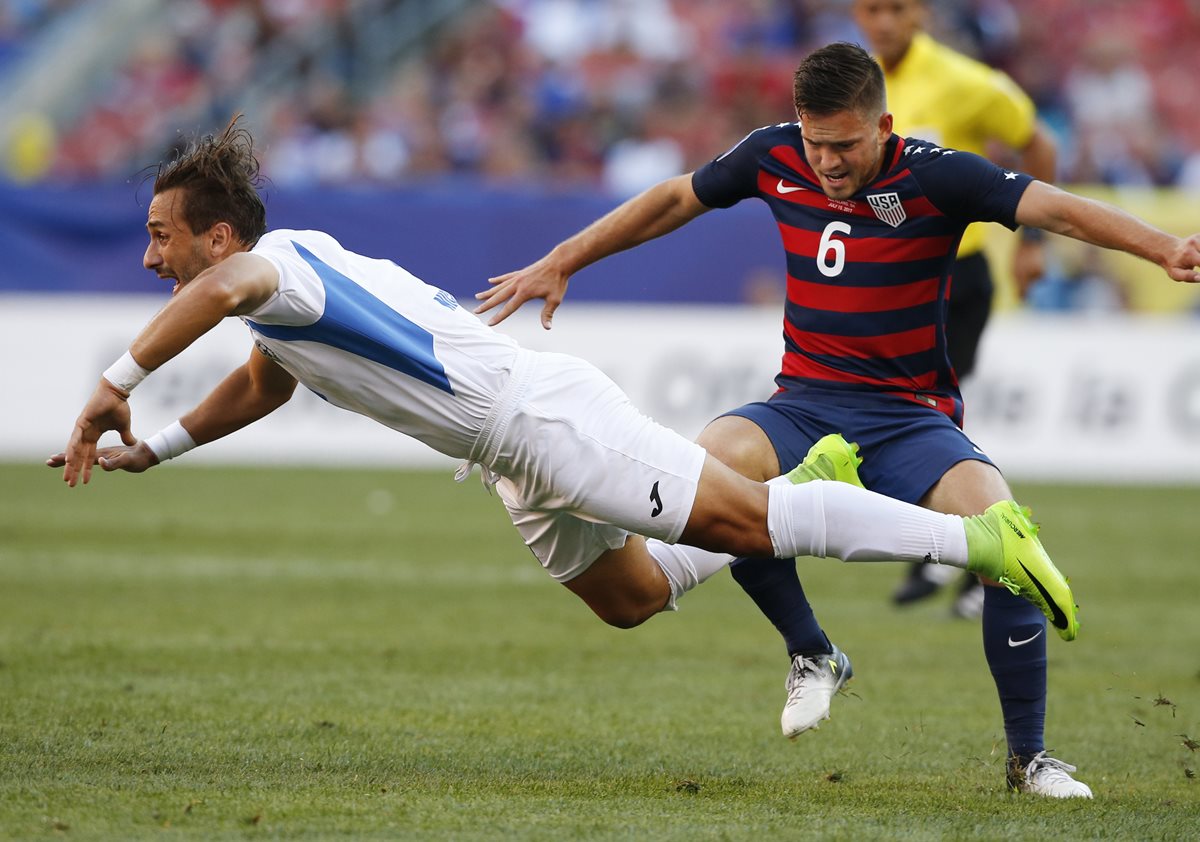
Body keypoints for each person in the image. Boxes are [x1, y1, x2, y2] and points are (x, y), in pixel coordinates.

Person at [49, 118, 1075, 665]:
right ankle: (816, 471)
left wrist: (112, 383)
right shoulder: (282, 290)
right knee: (629, 600)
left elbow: (230, 290)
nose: (152, 256)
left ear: (216, 234)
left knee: (747, 520)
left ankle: (974, 540)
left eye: (160, 236)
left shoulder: (268, 268)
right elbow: (266, 380)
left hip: (541, 415)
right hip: (507, 454)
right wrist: (163, 443)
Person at [476, 43, 1200, 798]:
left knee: (1008, 538)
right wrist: (565, 257)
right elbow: (672, 200)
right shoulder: (773, 155)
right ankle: (812, 652)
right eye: (814, 142)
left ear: (883, 125)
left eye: (844, 144)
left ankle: (1030, 762)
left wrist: (1163, 248)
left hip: (909, 417)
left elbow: (1057, 207)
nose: (824, 160)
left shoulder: (936, 173)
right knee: (710, 484)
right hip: (802, 403)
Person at [852, 0, 1059, 615]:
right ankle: (951, 552)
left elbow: (1037, 144)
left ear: (917, 13)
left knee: (927, 416)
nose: (883, 22)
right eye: (870, 10)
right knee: (910, 416)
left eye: (895, 9)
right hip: (886, 279)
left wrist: (1032, 246)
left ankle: (978, 557)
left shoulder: (965, 82)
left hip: (954, 275)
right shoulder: (854, 84)